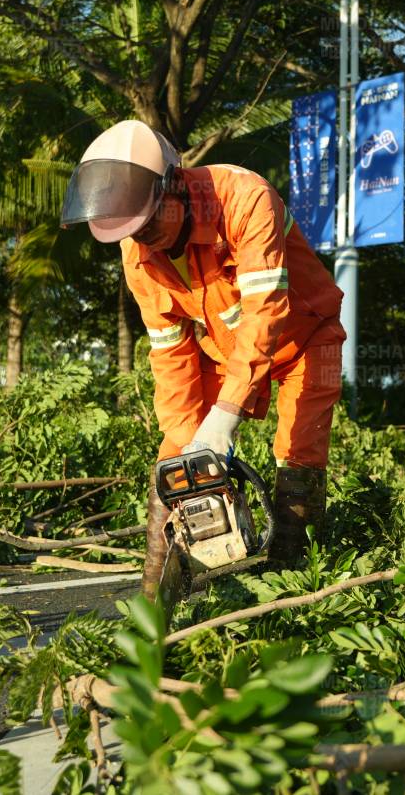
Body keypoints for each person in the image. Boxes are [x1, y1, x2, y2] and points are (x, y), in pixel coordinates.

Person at [60, 120, 345, 599]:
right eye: (133, 232)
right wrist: (185, 438)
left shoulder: (244, 199)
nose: (144, 240)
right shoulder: (137, 254)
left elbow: (265, 312)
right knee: (175, 459)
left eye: (150, 224)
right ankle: (159, 592)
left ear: (174, 185)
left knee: (299, 458)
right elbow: (170, 354)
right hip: (229, 348)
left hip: (308, 334)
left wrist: (226, 415)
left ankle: (292, 589)